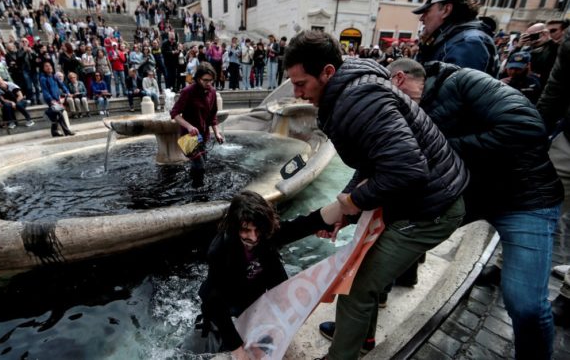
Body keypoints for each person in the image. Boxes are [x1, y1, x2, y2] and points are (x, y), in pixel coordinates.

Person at [283, 30, 468, 360]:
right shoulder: (354, 90)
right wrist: (347, 204)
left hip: (430, 211)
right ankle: (362, 339)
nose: (297, 94)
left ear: (328, 72)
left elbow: (408, 170)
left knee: (356, 288)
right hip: (421, 201)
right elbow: (374, 162)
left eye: (301, 84)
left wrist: (353, 202)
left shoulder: (359, 100)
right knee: (361, 273)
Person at [388, 56, 563, 359]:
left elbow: (527, 126)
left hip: (525, 201)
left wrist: (443, 146)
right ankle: (361, 316)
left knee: (526, 305)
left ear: (399, 80)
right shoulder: (410, 110)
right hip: (467, 197)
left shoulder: (467, 81)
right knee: (389, 232)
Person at [197, 190, 337, 359]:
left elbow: (304, 224)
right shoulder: (218, 250)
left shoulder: (267, 235)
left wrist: (344, 208)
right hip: (223, 299)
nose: (254, 238)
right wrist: (237, 349)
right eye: (246, 230)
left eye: (258, 230)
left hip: (253, 298)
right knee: (201, 346)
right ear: (234, 227)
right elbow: (215, 301)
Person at [538, 29, 570, 328]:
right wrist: (535, 131)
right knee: (534, 204)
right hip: (568, 141)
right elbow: (557, 86)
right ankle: (503, 263)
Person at [170, 62, 225, 188]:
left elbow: (212, 116)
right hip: (188, 137)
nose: (209, 83)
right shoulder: (187, 91)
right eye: (205, 80)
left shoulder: (212, 92)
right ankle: (197, 195)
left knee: (202, 165)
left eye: (211, 80)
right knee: (199, 166)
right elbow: (174, 113)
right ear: (198, 78)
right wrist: (189, 126)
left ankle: (194, 189)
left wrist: (216, 132)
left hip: (203, 136)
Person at [413, 0, 497, 76]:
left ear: (446, 10)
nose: (421, 18)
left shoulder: (468, 43)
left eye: (427, 11)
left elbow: (454, 89)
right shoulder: (453, 39)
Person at [510, 22, 559, 89]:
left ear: (544, 34)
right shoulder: (526, 51)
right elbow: (509, 64)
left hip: (542, 87)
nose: (531, 38)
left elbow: (553, 58)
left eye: (533, 35)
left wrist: (549, 40)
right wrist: (518, 46)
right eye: (528, 36)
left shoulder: (553, 49)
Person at [40, 61, 74, 137]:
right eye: (46, 66)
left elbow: (62, 85)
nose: (49, 67)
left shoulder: (54, 76)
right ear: (43, 68)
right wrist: (51, 100)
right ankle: (67, 131)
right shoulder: (43, 78)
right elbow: (45, 91)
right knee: (59, 113)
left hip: (57, 98)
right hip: (51, 100)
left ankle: (54, 131)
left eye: (50, 66)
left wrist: (67, 92)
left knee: (55, 116)